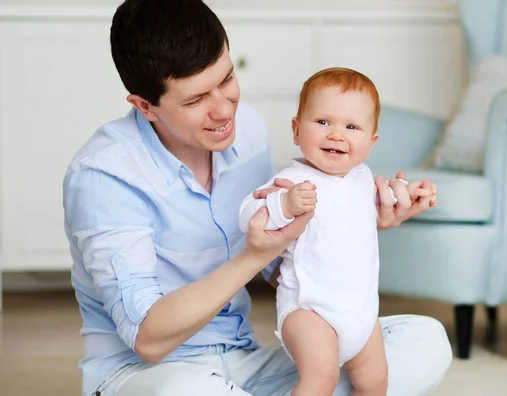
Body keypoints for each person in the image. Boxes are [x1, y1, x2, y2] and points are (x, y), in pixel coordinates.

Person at [62, 1, 452, 395]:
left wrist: (353, 222)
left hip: (245, 363)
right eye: (196, 100)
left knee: (422, 341)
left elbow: (283, 266)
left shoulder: (247, 130)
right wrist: (255, 253)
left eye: (227, 79)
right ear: (146, 106)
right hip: (148, 375)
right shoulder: (104, 176)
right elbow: (147, 339)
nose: (223, 110)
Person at [238, 67, 433, 396]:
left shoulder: (362, 178)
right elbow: (248, 215)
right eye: (323, 122)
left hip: (360, 313)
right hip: (310, 310)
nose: (336, 135)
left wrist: (410, 192)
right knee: (320, 379)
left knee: (375, 383)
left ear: (370, 143)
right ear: (297, 130)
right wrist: (284, 205)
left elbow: (376, 203)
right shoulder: (292, 181)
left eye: (352, 127)